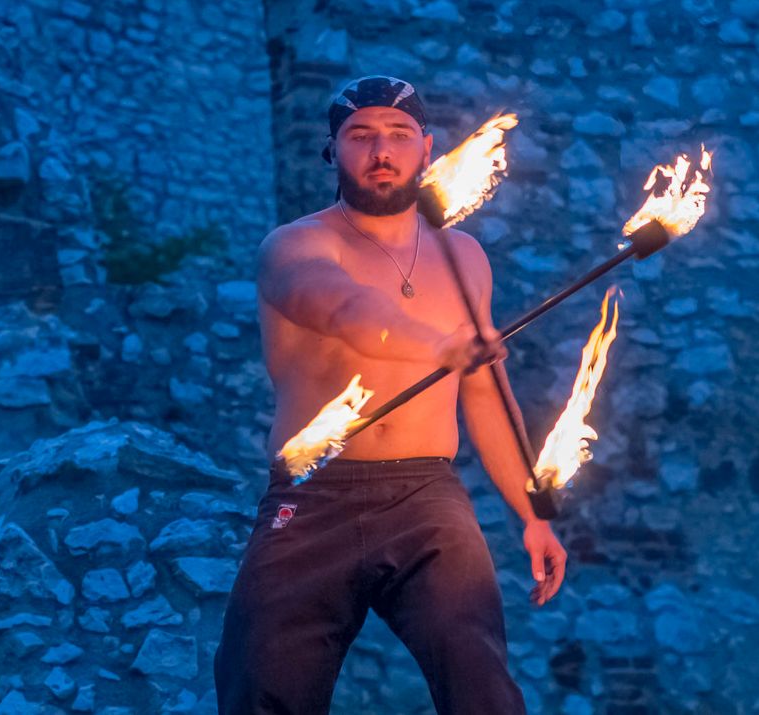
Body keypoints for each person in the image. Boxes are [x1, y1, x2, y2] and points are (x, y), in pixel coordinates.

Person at [213, 75, 567, 714]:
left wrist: (532, 512)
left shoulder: (463, 256)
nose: (382, 150)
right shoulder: (297, 244)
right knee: (262, 685)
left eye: (399, 135)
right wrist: (436, 344)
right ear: (333, 151)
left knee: (480, 682)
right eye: (362, 136)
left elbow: (486, 395)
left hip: (426, 495)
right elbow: (341, 308)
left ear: (426, 148)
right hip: (314, 494)